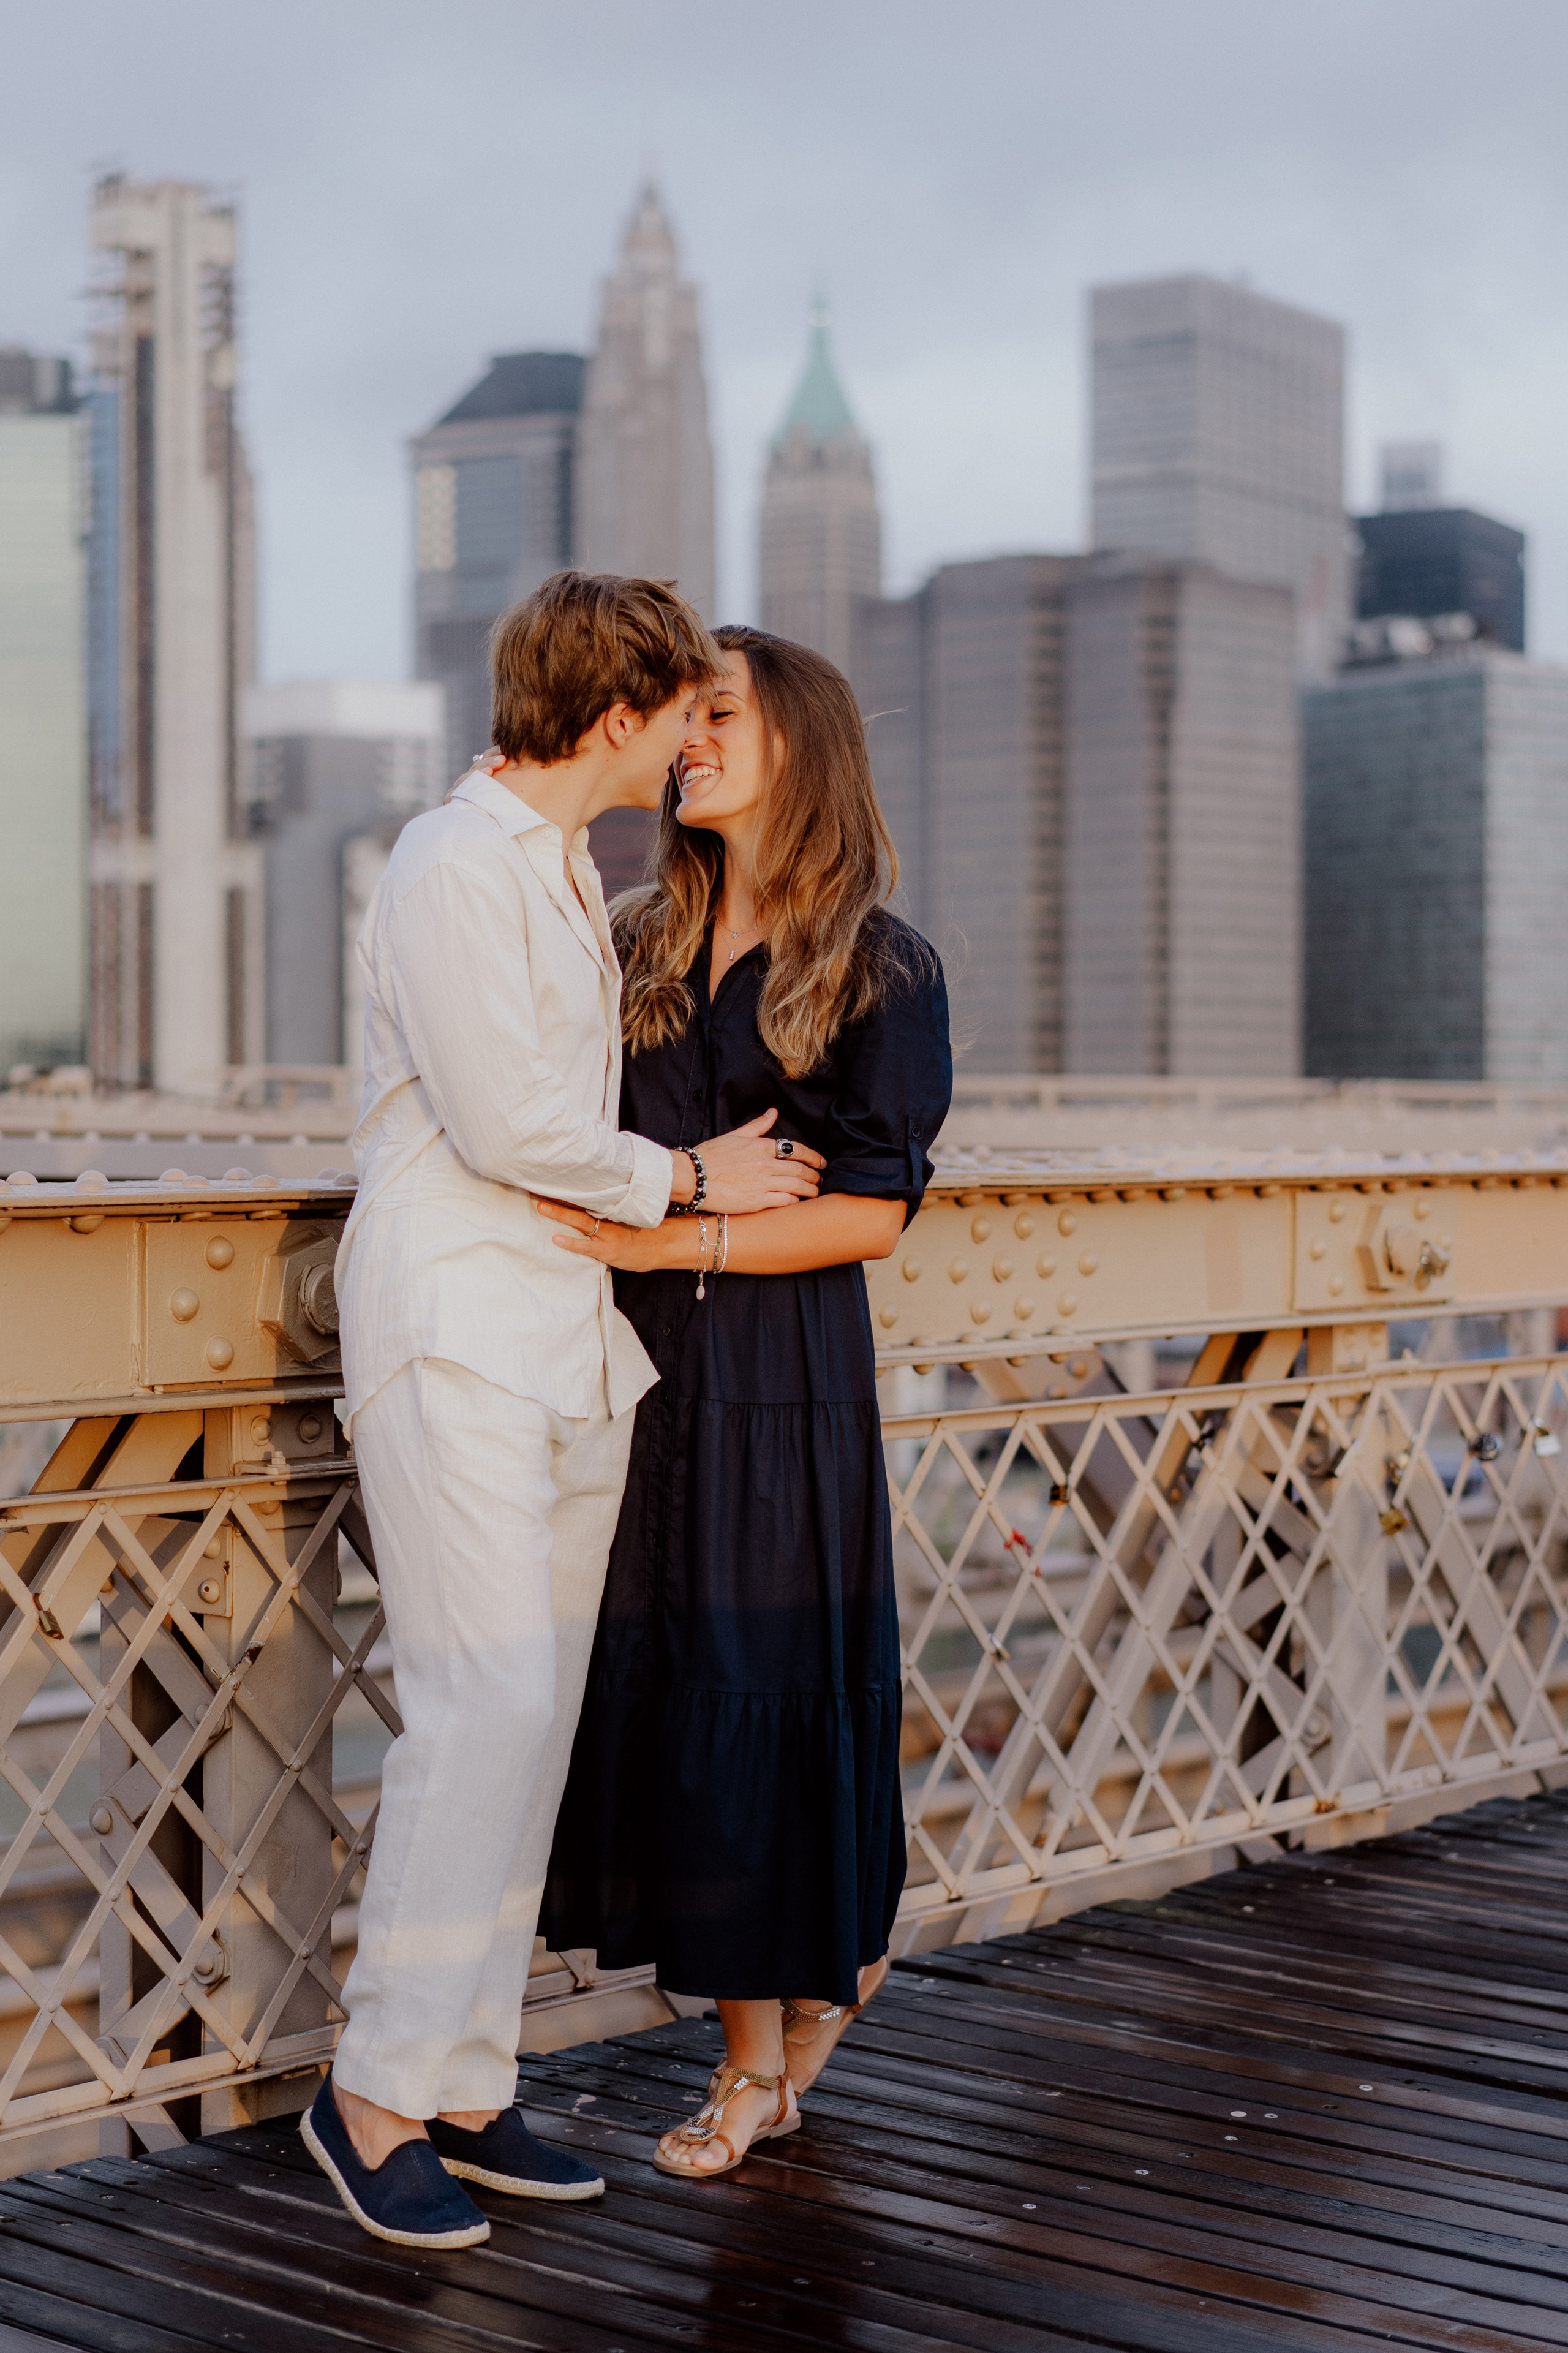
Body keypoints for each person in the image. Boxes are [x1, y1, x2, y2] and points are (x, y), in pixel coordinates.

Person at [303, 575, 826, 2248]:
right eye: (684, 709)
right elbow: (511, 1120)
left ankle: (463, 2081)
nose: (693, 737)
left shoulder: (554, 871)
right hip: (453, 1331)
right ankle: (372, 2093)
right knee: (479, 1704)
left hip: (556, 1342)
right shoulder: (454, 866)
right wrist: (693, 1175)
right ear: (619, 717)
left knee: (528, 1723)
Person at [538, 625, 952, 2179]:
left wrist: (681, 1232)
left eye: (716, 712)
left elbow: (868, 1211)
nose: (683, 737)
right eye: (677, 716)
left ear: (799, 741)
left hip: (783, 1389)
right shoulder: (637, 936)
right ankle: (754, 2048)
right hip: (647, 1383)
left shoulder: (877, 961)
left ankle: (785, 2036)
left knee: (763, 1689)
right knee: (673, 1700)